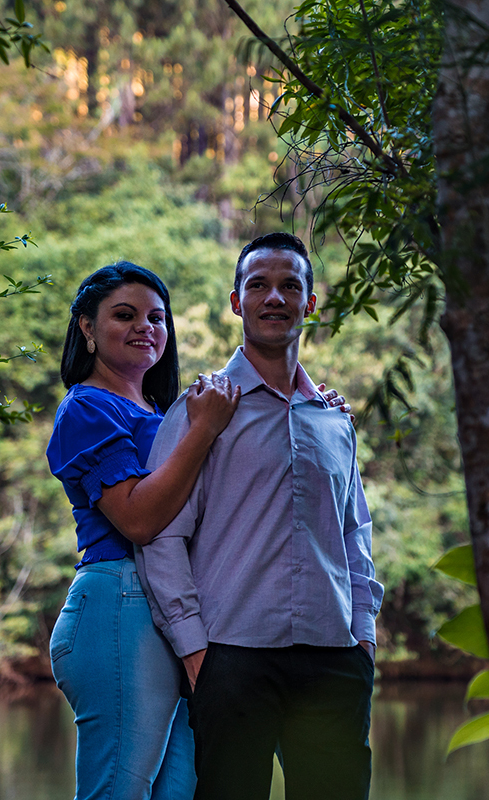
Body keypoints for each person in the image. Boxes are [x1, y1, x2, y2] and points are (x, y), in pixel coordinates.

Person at [46, 261, 352, 800]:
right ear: (87, 328)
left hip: (187, 610)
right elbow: (140, 521)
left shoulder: (166, 410)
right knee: (118, 789)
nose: (146, 327)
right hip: (120, 600)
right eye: (125, 315)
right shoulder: (87, 408)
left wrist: (312, 411)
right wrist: (205, 428)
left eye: (157, 317)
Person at [137, 232, 384, 800]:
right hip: (232, 659)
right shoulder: (201, 409)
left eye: (290, 286)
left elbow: (354, 536)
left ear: (310, 304)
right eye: (259, 285)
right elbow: (163, 538)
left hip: (334, 659)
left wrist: (363, 639)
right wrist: (197, 651)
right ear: (236, 302)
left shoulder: (333, 420)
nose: (275, 297)